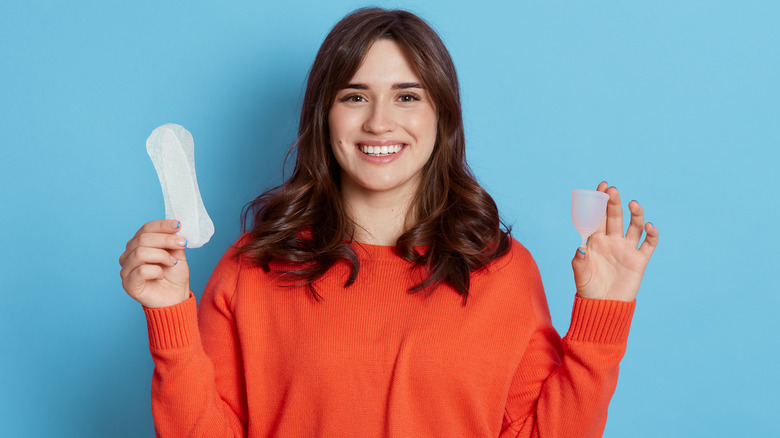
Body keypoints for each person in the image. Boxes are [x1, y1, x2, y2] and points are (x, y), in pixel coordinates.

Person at [119, 8, 658, 438]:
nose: (379, 121)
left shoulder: (503, 272)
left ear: (441, 117)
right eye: (355, 97)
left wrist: (601, 318)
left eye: (407, 97)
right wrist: (170, 317)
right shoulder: (253, 268)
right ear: (323, 116)